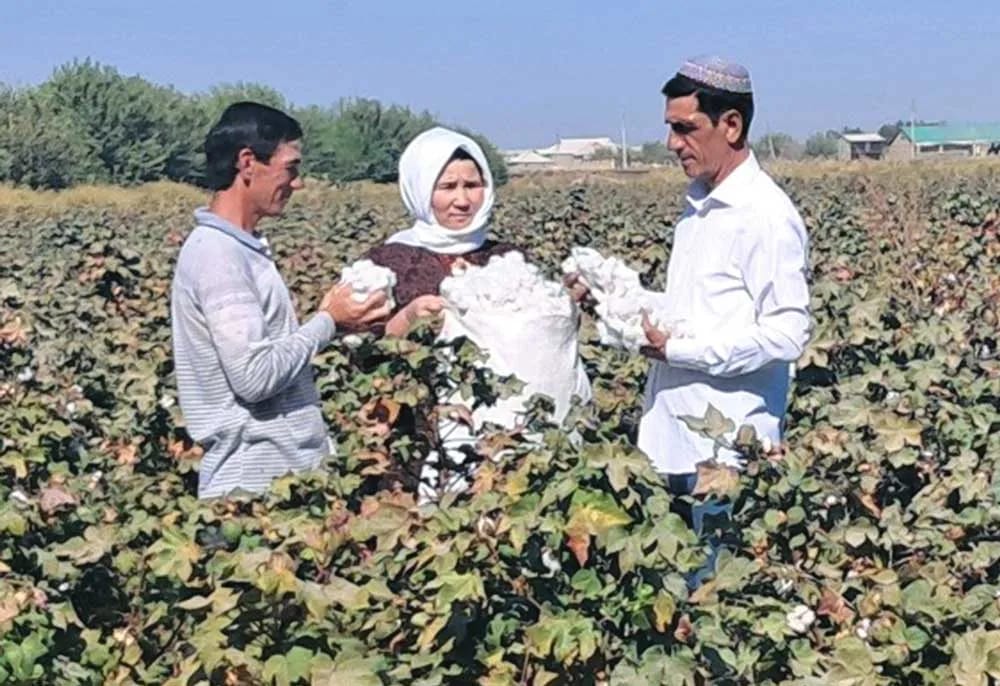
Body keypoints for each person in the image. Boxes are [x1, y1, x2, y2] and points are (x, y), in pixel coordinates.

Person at [568, 56, 811, 583]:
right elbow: (695, 312)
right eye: (670, 129)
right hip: (671, 448)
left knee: (713, 610)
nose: (674, 143)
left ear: (731, 125)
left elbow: (788, 332)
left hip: (723, 461)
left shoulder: (764, 216)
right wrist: (617, 304)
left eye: (685, 128)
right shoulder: (699, 206)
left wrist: (678, 352)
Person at [171, 102, 390, 499]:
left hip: (278, 483)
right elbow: (254, 377)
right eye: (291, 168)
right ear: (247, 162)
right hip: (255, 491)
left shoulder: (240, 248)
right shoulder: (218, 255)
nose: (298, 183)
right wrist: (328, 322)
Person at [363, 127, 591, 497]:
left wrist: (562, 306)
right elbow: (361, 354)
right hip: (420, 440)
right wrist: (407, 320)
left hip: (512, 441)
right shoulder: (389, 262)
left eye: (472, 185)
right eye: (447, 187)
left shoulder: (507, 257)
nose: (462, 200)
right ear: (420, 190)